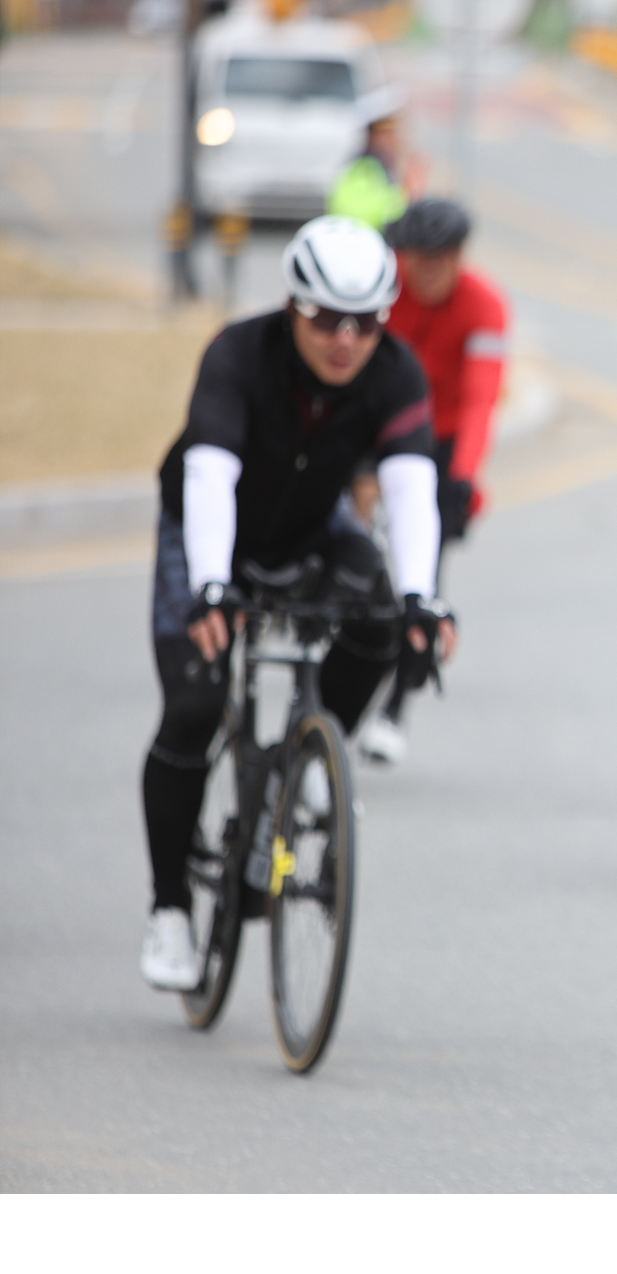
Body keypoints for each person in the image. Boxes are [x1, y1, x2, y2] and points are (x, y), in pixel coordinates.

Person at [138, 217, 456, 992]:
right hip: (209, 533)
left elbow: (413, 488)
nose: (345, 340)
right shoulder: (239, 354)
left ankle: (305, 759)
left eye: (365, 323)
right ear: (292, 307)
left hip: (313, 528)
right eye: (326, 319)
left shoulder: (395, 372)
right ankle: (170, 910)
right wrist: (211, 585)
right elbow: (208, 476)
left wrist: (424, 598)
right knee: (194, 704)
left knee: (384, 618)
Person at [357, 196, 509, 765]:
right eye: (414, 258)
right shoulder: (382, 289)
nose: (424, 271)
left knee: (423, 570)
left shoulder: (484, 305)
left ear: (459, 257)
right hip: (375, 426)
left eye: (438, 259)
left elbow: (480, 399)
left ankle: (396, 705)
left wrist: (464, 477)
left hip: (440, 440)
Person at [325, 89, 418, 230]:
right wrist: (406, 195)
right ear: (376, 135)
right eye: (391, 133)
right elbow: (360, 219)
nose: (398, 140)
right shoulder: (364, 170)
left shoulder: (381, 167)